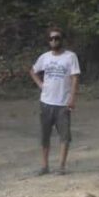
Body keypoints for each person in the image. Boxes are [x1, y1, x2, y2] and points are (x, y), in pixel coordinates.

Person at [29, 27, 81, 175]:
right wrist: (40, 84)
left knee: (65, 136)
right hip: (46, 102)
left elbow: (75, 77)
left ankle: (61, 166)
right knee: (45, 135)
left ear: (61, 39)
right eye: (51, 38)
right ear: (48, 41)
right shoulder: (44, 57)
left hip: (63, 103)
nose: (54, 41)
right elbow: (32, 71)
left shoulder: (70, 57)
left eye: (57, 38)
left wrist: (72, 98)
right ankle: (45, 166)